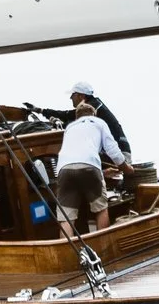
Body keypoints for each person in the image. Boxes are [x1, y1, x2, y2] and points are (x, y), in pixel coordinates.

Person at [54, 91, 126, 232]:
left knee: (66, 218)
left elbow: (76, 163)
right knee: (100, 209)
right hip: (90, 168)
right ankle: (103, 248)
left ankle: (68, 251)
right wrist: (126, 167)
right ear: (93, 114)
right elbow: (113, 150)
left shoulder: (70, 128)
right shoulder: (99, 122)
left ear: (77, 117)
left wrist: (103, 172)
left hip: (63, 170)